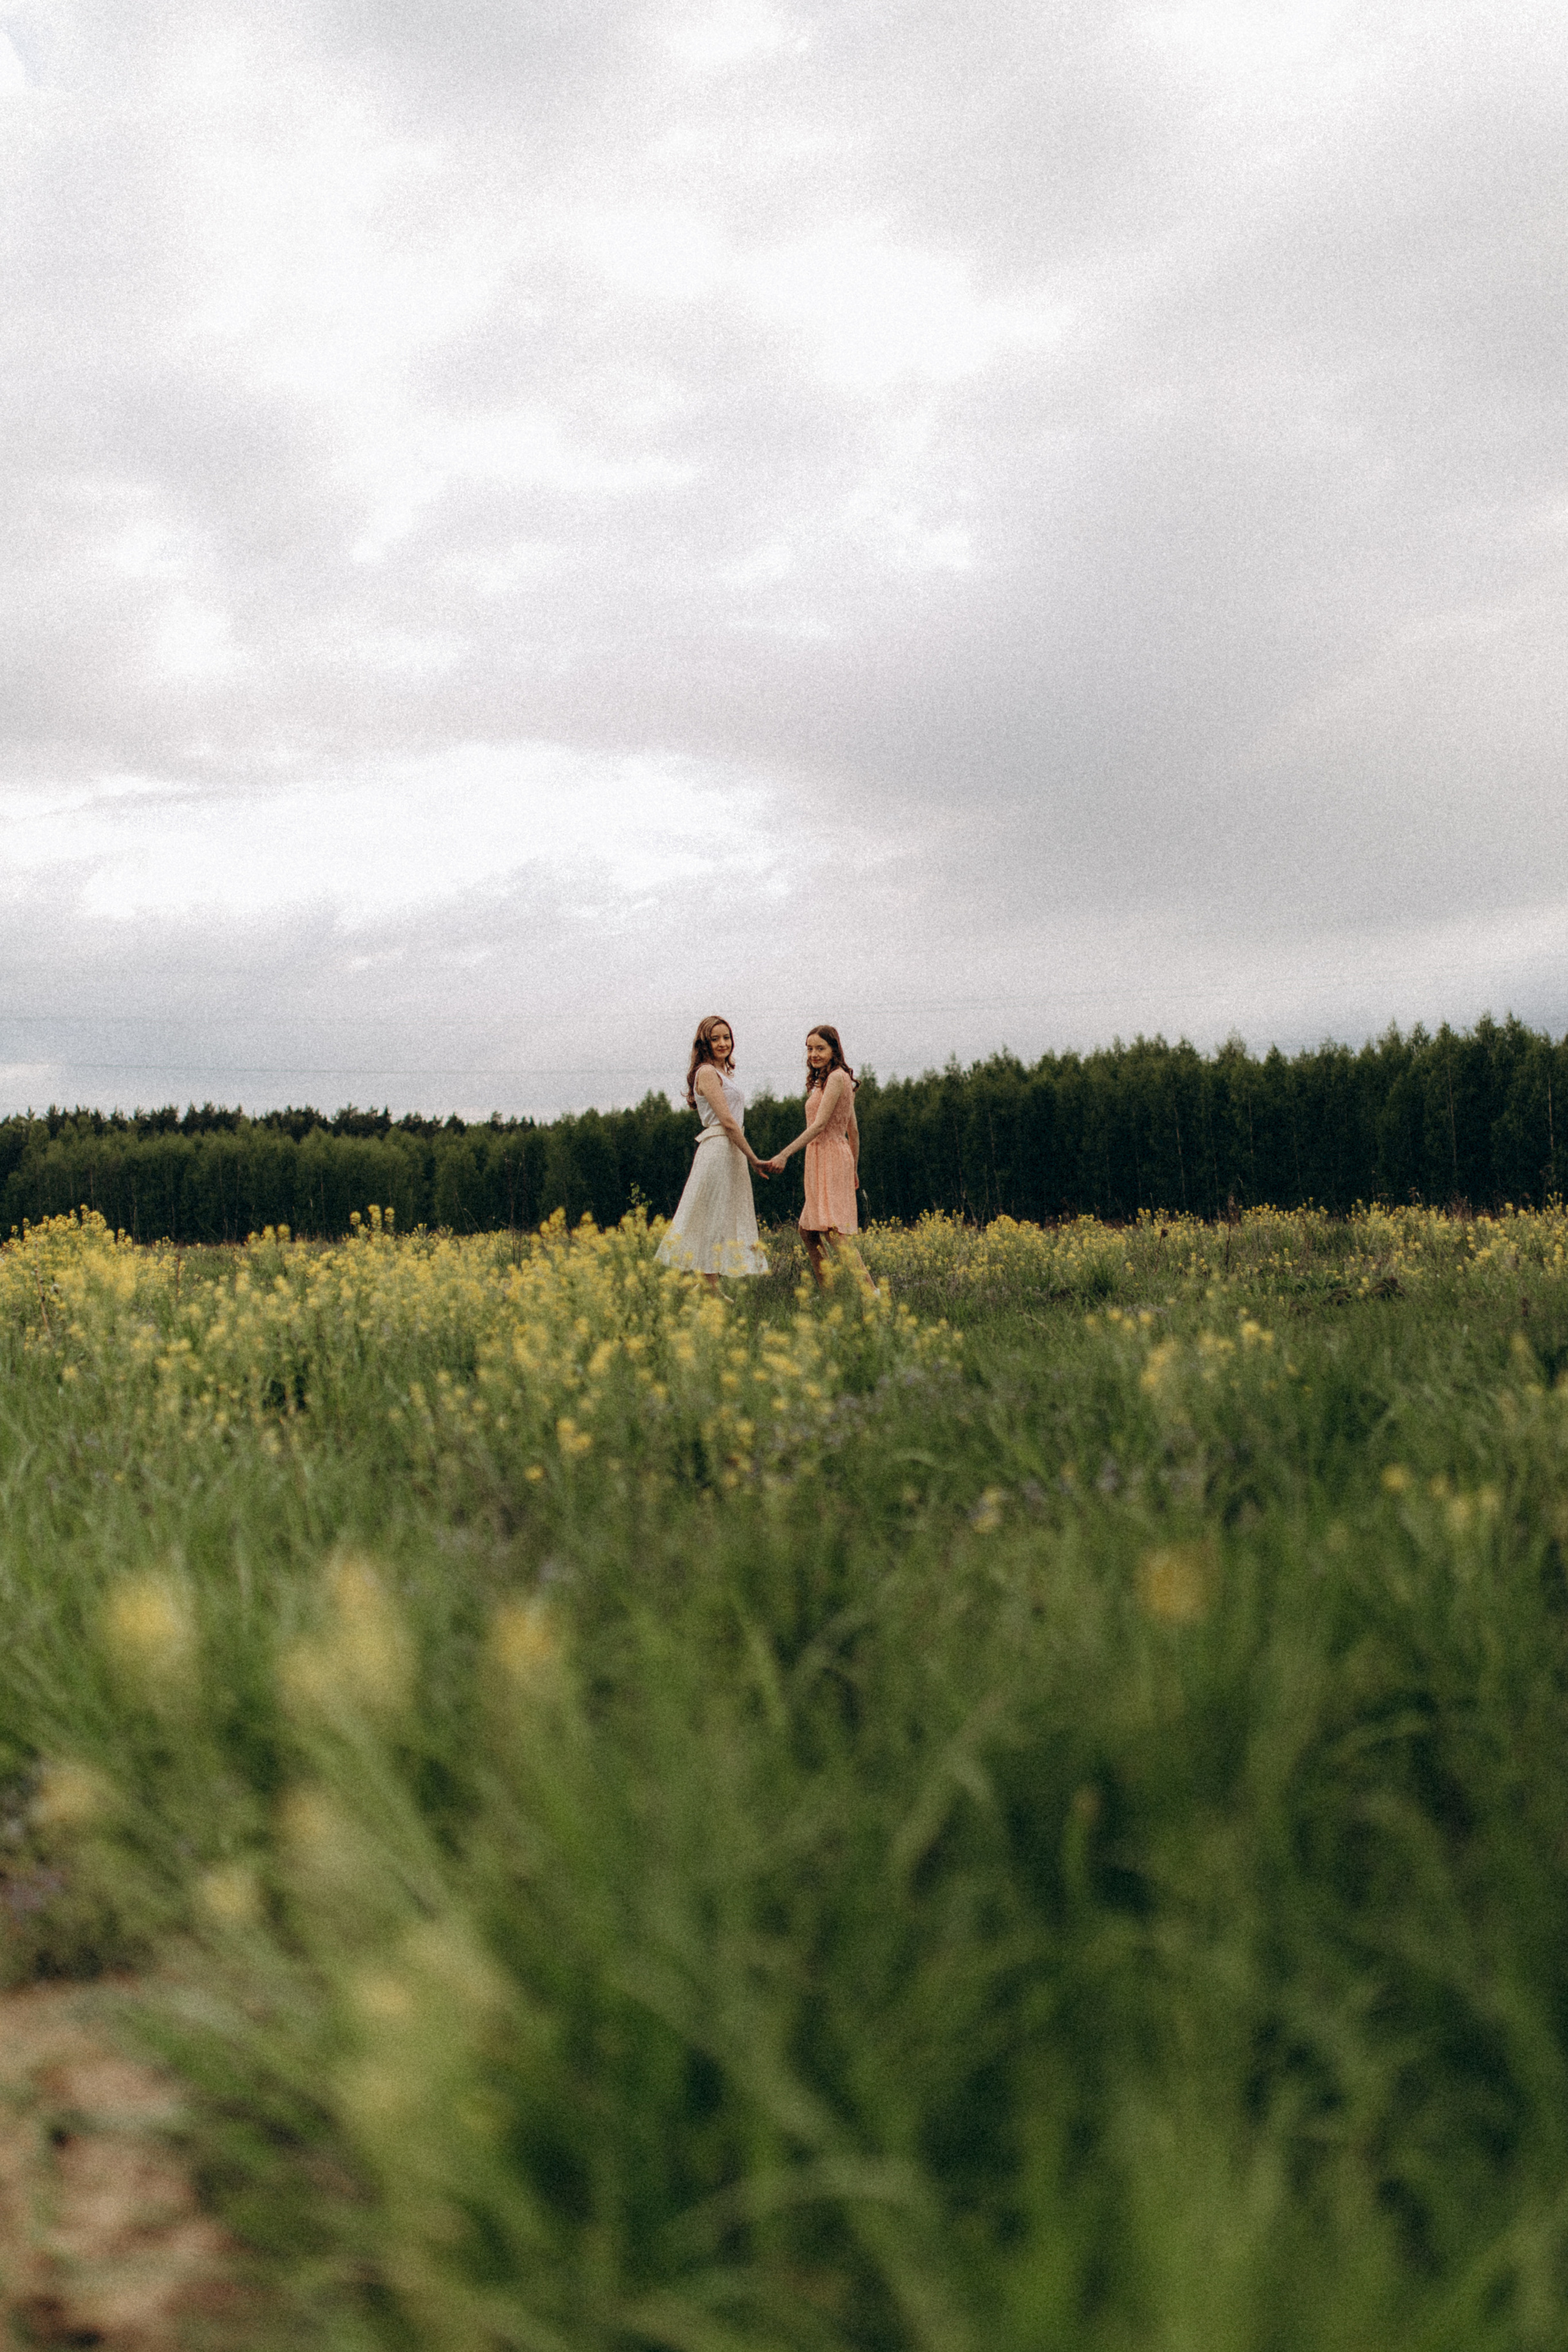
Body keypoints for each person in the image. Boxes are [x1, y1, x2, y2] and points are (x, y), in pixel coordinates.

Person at [655, 1014, 771, 1287]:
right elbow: (728, 1120)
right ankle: (708, 1287)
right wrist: (754, 1158)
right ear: (704, 1043)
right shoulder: (706, 1072)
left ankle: (709, 1285)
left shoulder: (723, 1073)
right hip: (719, 1146)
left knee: (725, 1214)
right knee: (712, 1214)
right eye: (715, 1038)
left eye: (726, 1037)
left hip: (731, 1148)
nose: (722, 1043)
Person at [766, 1024, 870, 1292]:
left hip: (830, 1154)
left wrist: (784, 1154)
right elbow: (854, 1131)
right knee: (808, 1231)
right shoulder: (831, 1080)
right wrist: (854, 1168)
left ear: (834, 1050)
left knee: (835, 1233)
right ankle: (830, 1293)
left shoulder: (837, 1078)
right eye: (810, 1049)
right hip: (826, 1157)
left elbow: (821, 1125)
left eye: (820, 1048)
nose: (814, 1054)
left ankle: (871, 1294)